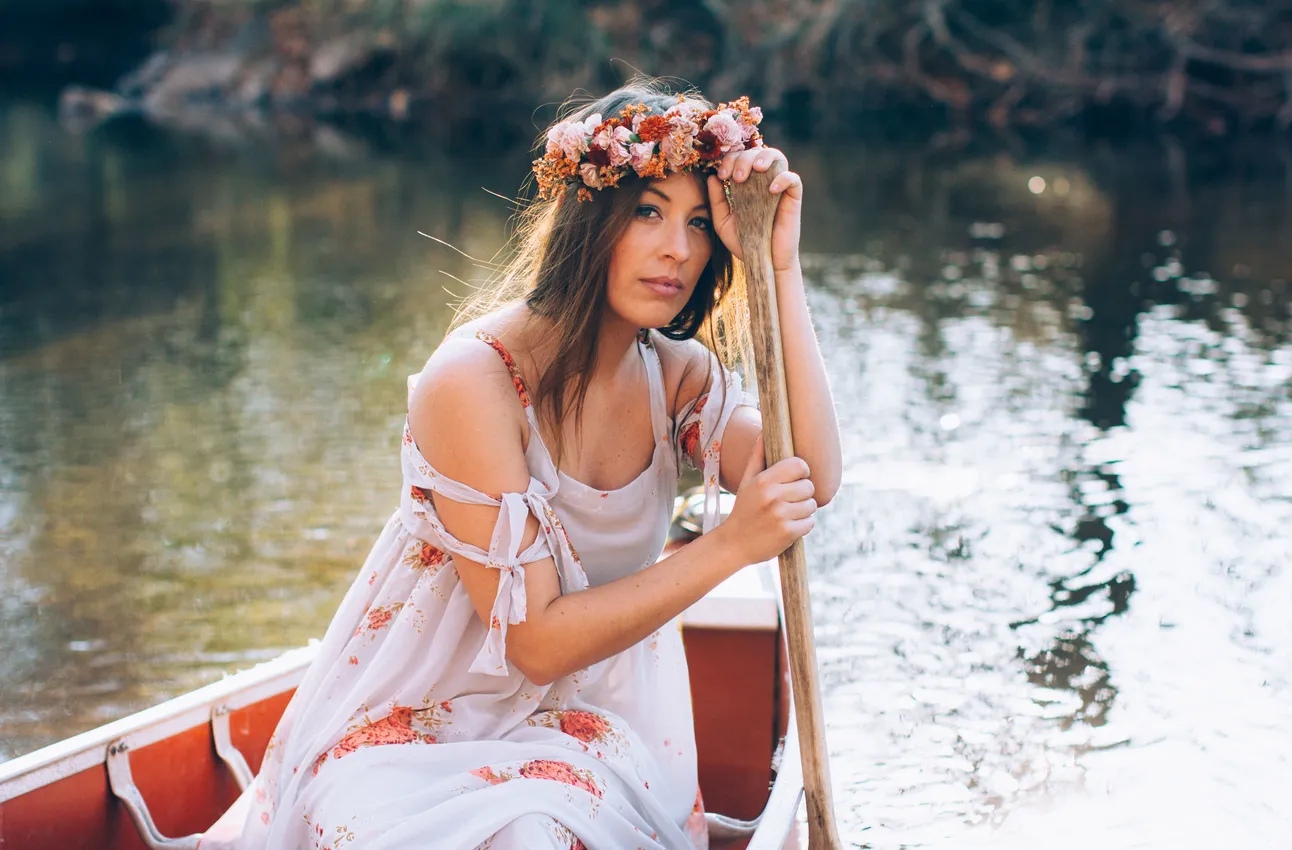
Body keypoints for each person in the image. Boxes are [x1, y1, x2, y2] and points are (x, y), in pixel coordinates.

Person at [200, 78, 841, 850]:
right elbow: (533, 640)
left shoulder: (675, 378)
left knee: (535, 830)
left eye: (701, 224)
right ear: (589, 215)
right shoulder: (473, 381)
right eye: (648, 212)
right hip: (422, 725)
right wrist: (732, 547)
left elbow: (808, 473)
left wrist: (779, 265)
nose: (678, 247)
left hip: (596, 724)